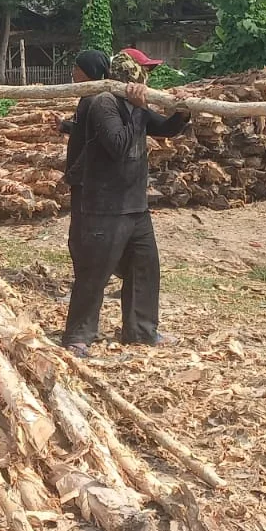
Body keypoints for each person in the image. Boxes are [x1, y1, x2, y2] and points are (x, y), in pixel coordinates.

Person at [58, 47, 190, 355]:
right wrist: (135, 107)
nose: (147, 77)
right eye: (143, 70)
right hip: (105, 206)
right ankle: (78, 336)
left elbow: (164, 128)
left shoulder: (133, 105)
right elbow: (118, 145)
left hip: (135, 206)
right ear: (128, 71)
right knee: (94, 273)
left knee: (145, 268)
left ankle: (141, 331)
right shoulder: (103, 102)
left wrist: (182, 111)